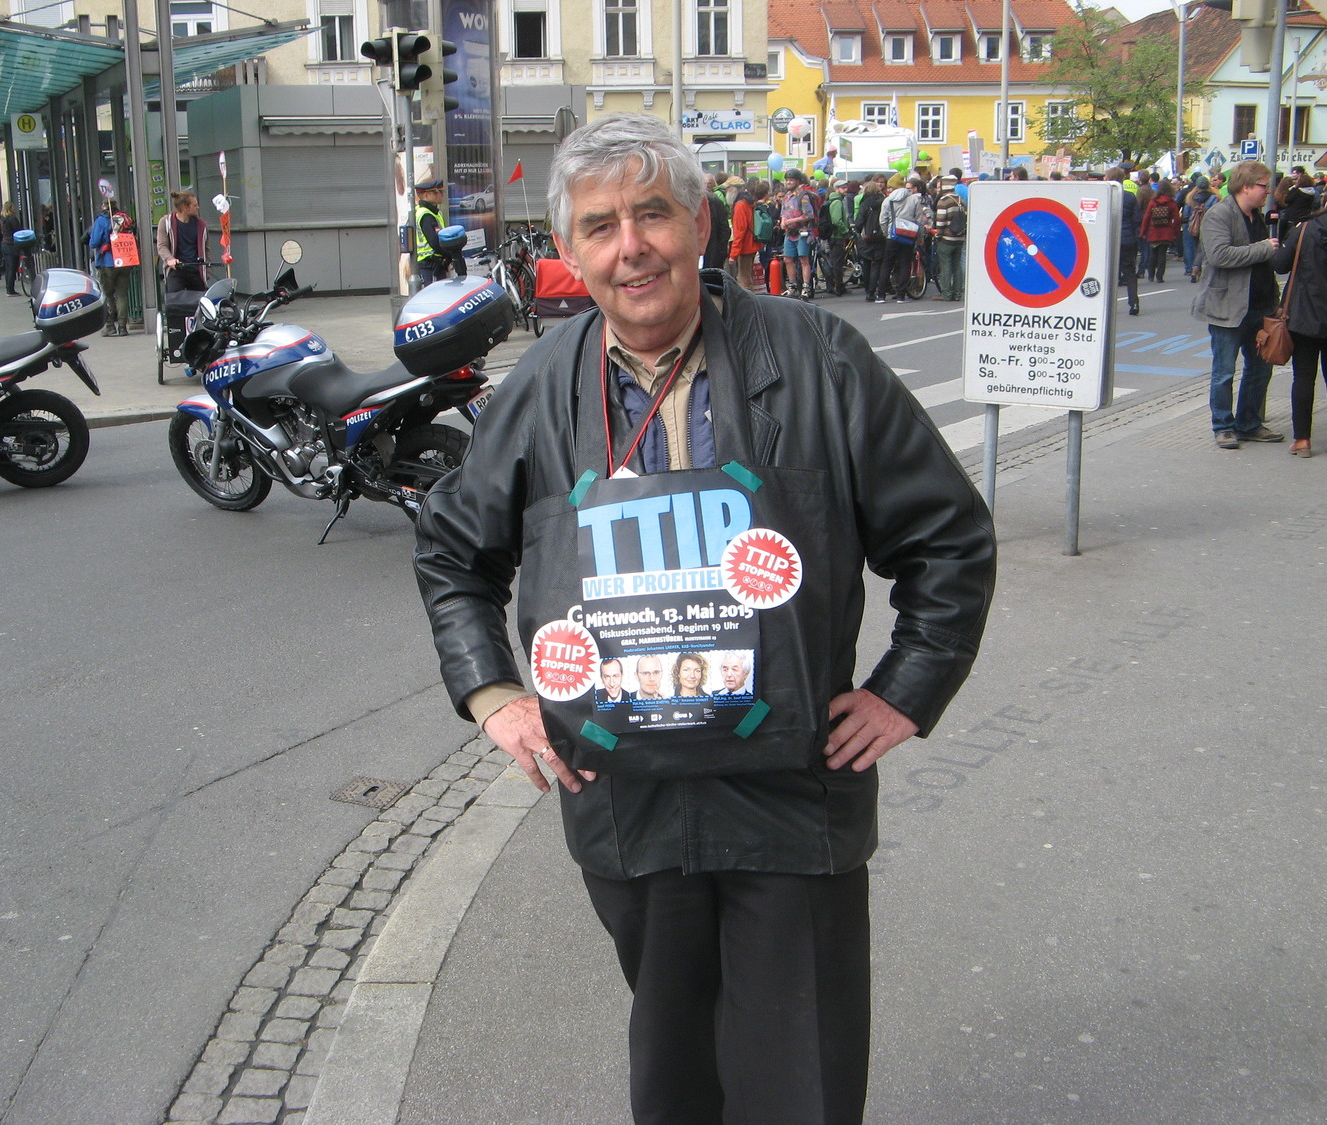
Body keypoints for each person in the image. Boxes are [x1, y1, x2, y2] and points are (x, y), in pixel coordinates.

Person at [413, 113, 995, 1125]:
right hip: (628, 805)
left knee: (800, 1080)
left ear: (702, 224)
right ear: (571, 254)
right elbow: (453, 553)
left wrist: (907, 689)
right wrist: (493, 694)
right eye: (600, 227)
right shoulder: (543, 386)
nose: (630, 247)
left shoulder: (819, 357)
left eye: (653, 214)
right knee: (675, 1072)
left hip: (793, 797)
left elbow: (948, 536)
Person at [1191, 160, 1283, 450]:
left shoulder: (1258, 217)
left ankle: (1249, 424)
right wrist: (1263, 248)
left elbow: (1266, 266)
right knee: (1224, 372)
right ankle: (1223, 426)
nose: (1268, 191)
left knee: (1260, 370)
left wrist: (1275, 301)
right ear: (1245, 187)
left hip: (1260, 307)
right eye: (1263, 186)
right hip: (1227, 308)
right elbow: (1220, 255)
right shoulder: (1219, 214)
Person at [1272, 180, 1327, 457]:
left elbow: (1280, 265)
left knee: (1303, 377)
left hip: (1304, 316)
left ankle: (1302, 440)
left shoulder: (1305, 229)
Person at [88, 201, 136, 336]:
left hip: (107, 262)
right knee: (122, 295)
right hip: (124, 260)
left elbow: (94, 242)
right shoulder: (123, 219)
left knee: (107, 295)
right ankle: (122, 327)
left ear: (103, 207)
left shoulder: (101, 221)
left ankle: (110, 325)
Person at [156, 190, 210, 296]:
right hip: (176, 269)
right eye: (195, 205)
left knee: (202, 300)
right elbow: (162, 246)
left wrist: (207, 269)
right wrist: (170, 259)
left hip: (195, 269)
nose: (198, 207)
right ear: (185, 207)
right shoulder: (166, 222)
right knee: (174, 300)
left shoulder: (201, 225)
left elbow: (206, 249)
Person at [881, 176, 925, 303]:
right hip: (908, 235)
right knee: (905, 263)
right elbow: (919, 221)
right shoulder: (913, 199)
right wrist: (920, 237)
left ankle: (881, 295)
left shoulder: (888, 200)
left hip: (892, 235)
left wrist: (886, 233)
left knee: (886, 264)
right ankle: (901, 295)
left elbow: (883, 220)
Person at [779, 167, 817, 299]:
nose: (788, 182)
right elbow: (783, 212)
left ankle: (806, 287)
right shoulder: (786, 197)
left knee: (803, 259)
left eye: (791, 180)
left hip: (802, 232)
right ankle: (792, 286)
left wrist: (792, 220)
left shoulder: (803, 196)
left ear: (798, 181)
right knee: (787, 259)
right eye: (787, 180)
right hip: (790, 233)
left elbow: (809, 215)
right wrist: (783, 221)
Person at [1107, 167, 1141, 315]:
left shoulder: (1105, 195)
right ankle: (1134, 302)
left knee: (1107, 273)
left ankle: (1105, 306)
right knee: (1129, 272)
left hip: (1109, 239)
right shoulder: (1129, 196)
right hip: (1127, 238)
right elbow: (1137, 219)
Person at [931, 175, 967, 301]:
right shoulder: (961, 200)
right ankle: (957, 293)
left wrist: (938, 234)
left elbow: (940, 221)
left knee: (945, 265)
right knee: (957, 266)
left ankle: (946, 293)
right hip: (960, 237)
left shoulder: (944, 201)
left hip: (947, 239)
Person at [1139, 180, 1181, 283]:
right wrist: (1176, 233)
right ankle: (1159, 276)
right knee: (1162, 254)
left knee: (1153, 253)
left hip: (1153, 232)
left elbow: (1146, 218)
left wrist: (1143, 232)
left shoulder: (1153, 202)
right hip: (1166, 232)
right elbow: (1176, 219)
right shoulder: (1171, 203)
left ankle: (1151, 275)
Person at [724, 174, 759, 292]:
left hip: (745, 247)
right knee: (747, 278)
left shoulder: (740, 205)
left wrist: (733, 255)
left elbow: (739, 232)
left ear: (732, 189)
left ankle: (748, 302)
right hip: (751, 245)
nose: (726, 191)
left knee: (744, 280)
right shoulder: (747, 201)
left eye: (727, 188)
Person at [854, 178, 887, 303]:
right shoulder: (884, 201)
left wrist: (857, 230)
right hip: (881, 236)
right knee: (877, 264)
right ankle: (873, 290)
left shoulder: (865, 203)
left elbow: (860, 221)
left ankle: (868, 290)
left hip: (866, 237)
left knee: (867, 264)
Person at [0, 202, 34, 295]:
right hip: (11, 244)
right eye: (13, 207)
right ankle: (11, 290)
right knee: (12, 267)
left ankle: (8, 288)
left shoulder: (2, 219)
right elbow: (19, 231)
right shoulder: (12, 219)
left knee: (8, 268)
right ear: (10, 208)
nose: (15, 208)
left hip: (4, 244)